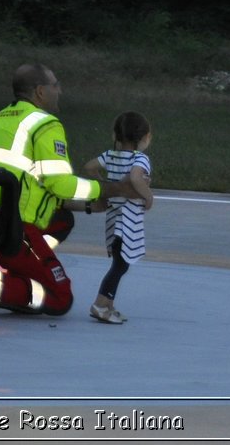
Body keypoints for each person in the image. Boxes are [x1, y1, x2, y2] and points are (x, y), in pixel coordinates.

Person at [0, 63, 123, 319]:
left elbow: (34, 180)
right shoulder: (45, 124)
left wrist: (87, 206)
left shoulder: (1, 117)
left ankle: (22, 273)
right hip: (13, 223)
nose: (60, 90)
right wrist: (106, 189)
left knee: (62, 221)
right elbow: (60, 184)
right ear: (40, 91)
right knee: (60, 298)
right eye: (55, 85)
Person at [83, 112, 154, 324]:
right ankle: (99, 304)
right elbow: (135, 177)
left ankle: (109, 306)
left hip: (113, 218)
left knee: (118, 261)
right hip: (128, 220)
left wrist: (104, 184)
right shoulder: (140, 159)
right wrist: (148, 196)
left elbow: (89, 167)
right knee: (121, 265)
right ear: (144, 138)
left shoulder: (110, 155)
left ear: (116, 134)